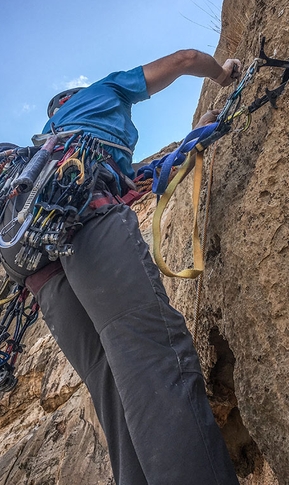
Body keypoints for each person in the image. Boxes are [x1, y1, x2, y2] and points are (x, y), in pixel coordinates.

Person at [25, 49, 242, 485]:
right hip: (87, 221)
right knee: (152, 354)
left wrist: (194, 134)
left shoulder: (41, 159)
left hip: (40, 270)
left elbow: (140, 180)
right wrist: (222, 74)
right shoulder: (103, 94)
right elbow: (183, 60)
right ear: (73, 99)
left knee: (112, 386)